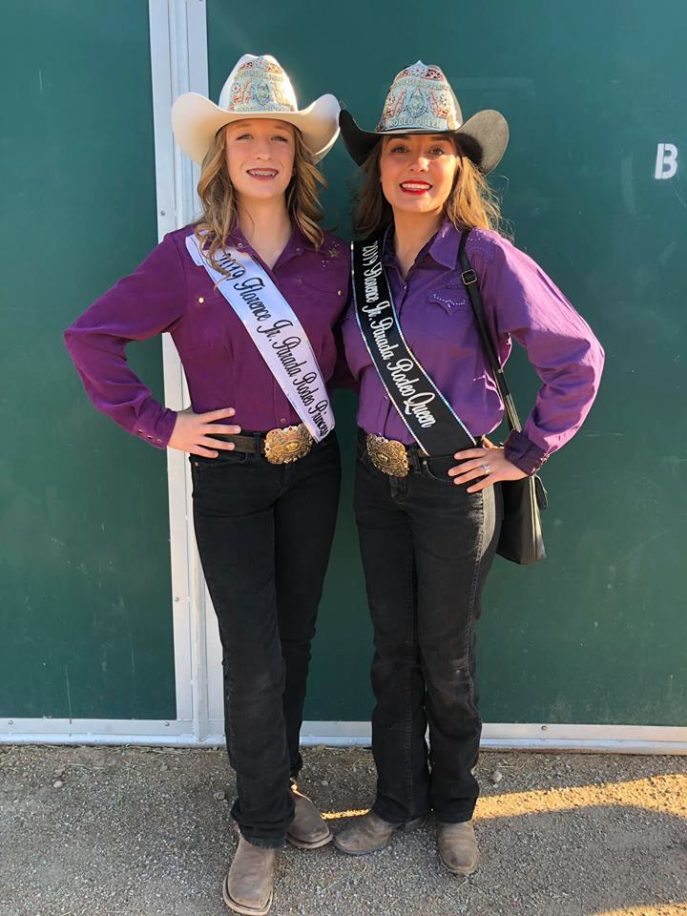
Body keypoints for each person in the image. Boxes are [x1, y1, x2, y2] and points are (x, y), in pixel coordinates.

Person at [64, 54, 348, 916]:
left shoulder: (333, 259)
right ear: (219, 155)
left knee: (292, 641)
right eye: (243, 136)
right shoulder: (186, 259)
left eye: (277, 137)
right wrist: (163, 423)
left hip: (315, 467)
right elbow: (91, 337)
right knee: (254, 655)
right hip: (229, 474)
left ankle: (281, 784)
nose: (261, 150)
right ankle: (259, 826)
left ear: (298, 157)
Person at [334, 61, 605, 875]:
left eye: (435, 151)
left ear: (459, 166)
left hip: (455, 486)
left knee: (446, 657)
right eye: (398, 150)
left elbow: (577, 359)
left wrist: (519, 454)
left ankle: (453, 807)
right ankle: (394, 800)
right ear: (377, 167)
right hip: (376, 478)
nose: (415, 165)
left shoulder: (482, 257)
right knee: (391, 652)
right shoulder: (362, 265)